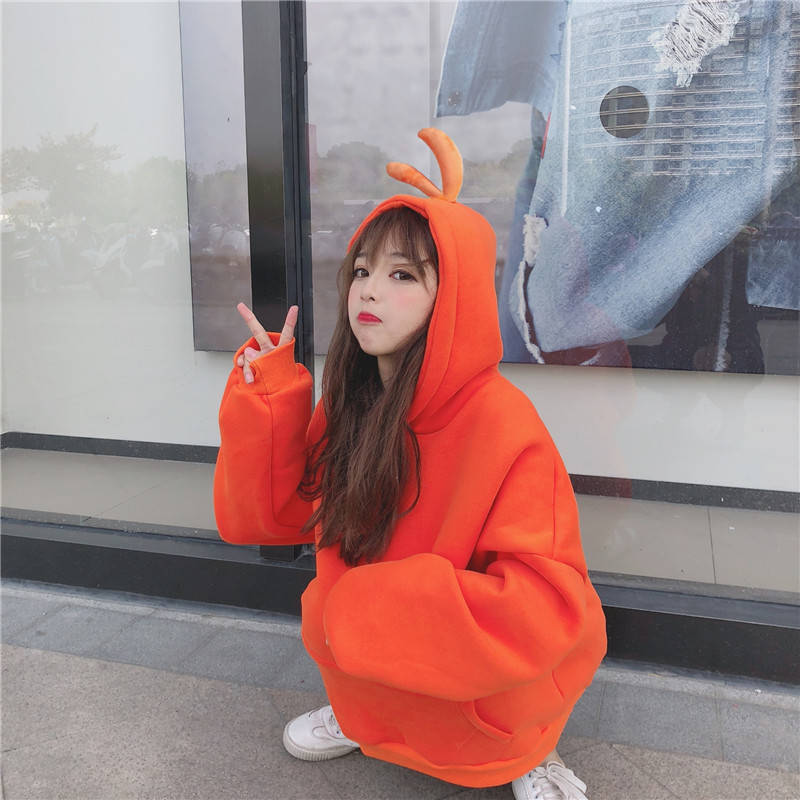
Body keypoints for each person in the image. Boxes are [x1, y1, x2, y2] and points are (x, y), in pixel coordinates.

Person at [214, 128, 606, 800]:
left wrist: (362, 608)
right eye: (362, 271)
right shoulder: (355, 400)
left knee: (503, 708)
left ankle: (530, 751)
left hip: (470, 688)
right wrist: (271, 399)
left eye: (403, 275)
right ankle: (362, 715)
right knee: (356, 650)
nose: (369, 291)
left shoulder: (503, 424)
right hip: (369, 660)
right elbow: (279, 516)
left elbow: (541, 609)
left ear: (454, 295)